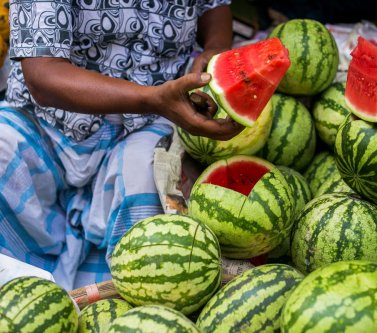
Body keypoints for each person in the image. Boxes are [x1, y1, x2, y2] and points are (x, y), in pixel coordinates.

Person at [0, 0, 242, 290]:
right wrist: (152, 98)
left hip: (149, 122)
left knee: (152, 207)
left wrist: (215, 48)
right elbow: (43, 74)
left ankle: (117, 302)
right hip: (44, 122)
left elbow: (213, 6)